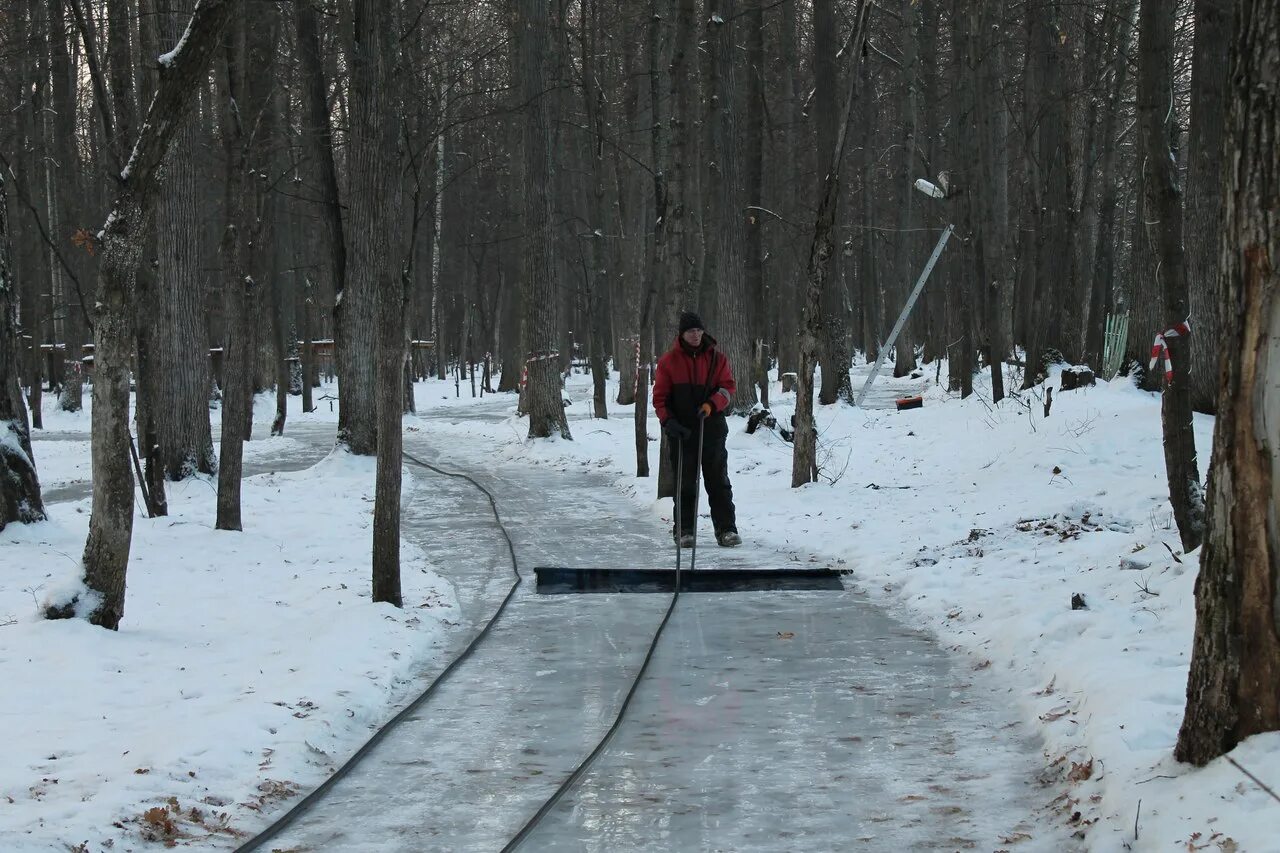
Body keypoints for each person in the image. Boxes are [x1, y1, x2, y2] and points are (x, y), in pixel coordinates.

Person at [652, 311, 741, 548]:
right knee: (685, 483)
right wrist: (668, 421)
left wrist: (711, 405)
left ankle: (726, 529)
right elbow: (660, 399)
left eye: (699, 330)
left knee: (718, 481)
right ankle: (684, 530)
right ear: (682, 334)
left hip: (712, 428)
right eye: (691, 331)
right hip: (681, 431)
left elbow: (727, 389)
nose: (696, 335)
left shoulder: (717, 359)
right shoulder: (668, 362)